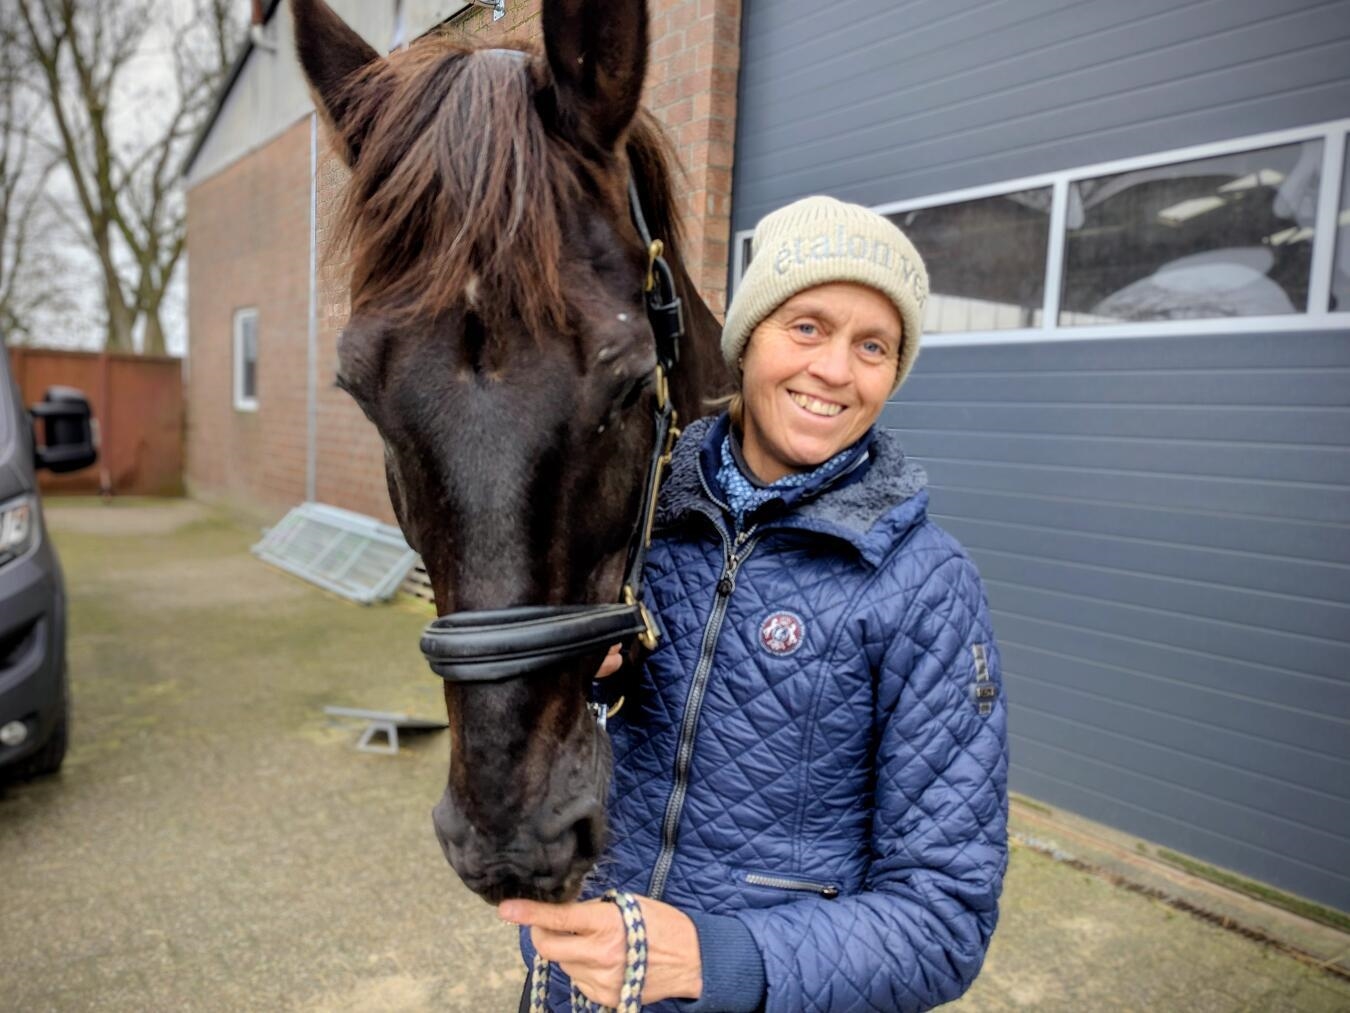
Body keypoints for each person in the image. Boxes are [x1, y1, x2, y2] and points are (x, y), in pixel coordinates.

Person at [500, 196, 1009, 1012]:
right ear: (746, 339)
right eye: (807, 327)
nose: (835, 370)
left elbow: (943, 919)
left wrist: (712, 959)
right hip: (581, 987)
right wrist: (580, 681)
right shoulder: (633, 518)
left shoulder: (928, 587)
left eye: (872, 345)